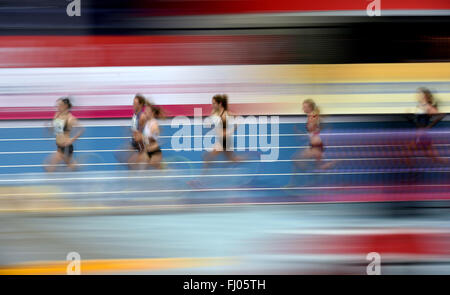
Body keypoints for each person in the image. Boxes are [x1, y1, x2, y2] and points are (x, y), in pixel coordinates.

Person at [406, 88, 447, 163]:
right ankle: (411, 172)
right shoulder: (419, 106)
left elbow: (441, 115)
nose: (417, 95)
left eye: (419, 94)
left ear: (424, 96)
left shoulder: (427, 106)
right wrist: (410, 118)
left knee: (434, 157)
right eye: (417, 94)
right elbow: (418, 121)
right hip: (419, 133)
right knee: (410, 151)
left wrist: (429, 127)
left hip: (423, 135)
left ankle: (411, 172)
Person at [45, 97, 84, 172]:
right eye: (57, 105)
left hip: (66, 148)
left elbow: (81, 129)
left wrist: (71, 140)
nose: (57, 107)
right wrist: (49, 127)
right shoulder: (57, 115)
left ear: (65, 106)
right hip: (59, 146)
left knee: (50, 168)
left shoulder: (70, 118)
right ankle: (77, 169)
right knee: (70, 165)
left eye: (59, 105)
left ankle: (76, 169)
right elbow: (57, 130)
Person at [203, 94, 241, 168]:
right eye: (212, 103)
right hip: (221, 140)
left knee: (207, 159)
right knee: (232, 159)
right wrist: (209, 125)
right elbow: (213, 123)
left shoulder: (225, 114)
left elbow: (238, 119)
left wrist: (231, 131)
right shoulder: (214, 112)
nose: (212, 105)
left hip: (225, 141)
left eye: (214, 103)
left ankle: (202, 179)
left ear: (219, 104)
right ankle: (248, 159)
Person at [140, 100, 164, 169]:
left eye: (147, 110)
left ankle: (168, 172)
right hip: (147, 151)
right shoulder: (147, 122)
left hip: (155, 152)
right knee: (144, 172)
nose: (145, 111)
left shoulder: (154, 124)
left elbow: (154, 137)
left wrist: (144, 137)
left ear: (152, 113)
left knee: (158, 173)